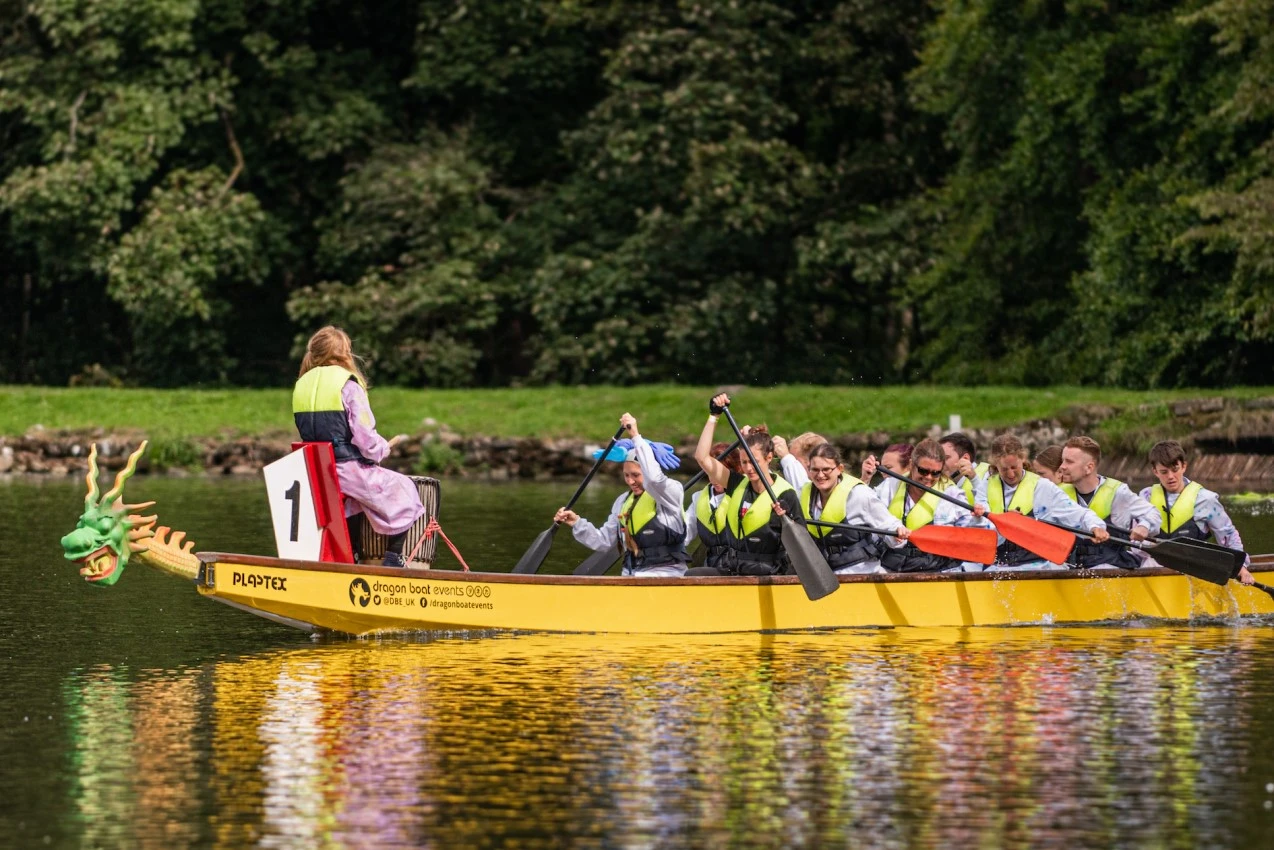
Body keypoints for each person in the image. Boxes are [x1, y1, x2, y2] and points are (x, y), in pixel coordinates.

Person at [293, 326, 424, 567]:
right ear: (344, 353)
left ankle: (350, 558)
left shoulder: (301, 384)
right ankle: (394, 562)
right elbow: (365, 439)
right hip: (345, 469)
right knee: (408, 492)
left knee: (352, 503)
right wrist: (382, 450)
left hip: (315, 471)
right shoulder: (348, 384)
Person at [555, 413, 688, 577]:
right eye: (627, 475)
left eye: (636, 475)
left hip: (667, 573)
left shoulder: (671, 492)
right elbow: (604, 541)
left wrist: (635, 436)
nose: (631, 481)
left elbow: (654, 479)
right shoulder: (623, 501)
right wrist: (576, 523)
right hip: (631, 574)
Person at [693, 393, 804, 576]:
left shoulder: (785, 494)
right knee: (693, 575)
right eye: (744, 462)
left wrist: (786, 521)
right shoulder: (736, 484)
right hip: (735, 569)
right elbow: (702, 458)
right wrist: (714, 416)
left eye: (754, 462)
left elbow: (800, 543)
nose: (749, 468)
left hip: (770, 573)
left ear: (769, 458)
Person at [979, 434, 1107, 570]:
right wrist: (1004, 521)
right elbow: (982, 530)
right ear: (995, 464)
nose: (1010, 474)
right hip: (997, 565)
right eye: (1004, 469)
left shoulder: (1042, 487)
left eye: (1014, 467)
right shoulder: (984, 487)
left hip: (1037, 566)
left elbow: (1079, 514)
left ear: (1022, 458)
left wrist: (1095, 526)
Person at [1139, 440, 1254, 584]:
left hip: (1193, 569)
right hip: (1154, 567)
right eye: (1164, 472)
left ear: (1184, 467)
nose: (1170, 476)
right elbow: (1137, 546)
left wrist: (1241, 567)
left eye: (1175, 469)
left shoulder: (1206, 499)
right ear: (1155, 471)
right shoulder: (1146, 497)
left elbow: (1228, 535)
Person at [867, 439, 980, 573]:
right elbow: (869, 515)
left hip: (938, 568)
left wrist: (977, 518)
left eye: (935, 473)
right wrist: (865, 479)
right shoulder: (890, 486)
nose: (928, 477)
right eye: (923, 471)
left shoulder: (952, 494)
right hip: (892, 566)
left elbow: (970, 535)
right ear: (911, 465)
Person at [800, 442, 909, 574]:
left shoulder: (859, 494)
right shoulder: (804, 494)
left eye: (826, 469)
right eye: (815, 470)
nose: (820, 475)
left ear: (839, 469)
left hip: (860, 573)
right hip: (825, 575)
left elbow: (889, 525)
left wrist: (897, 533)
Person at [1057, 436, 1161, 569]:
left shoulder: (1118, 492)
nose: (1062, 467)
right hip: (1071, 564)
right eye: (1062, 461)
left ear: (1089, 467)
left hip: (1110, 565)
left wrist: (1144, 527)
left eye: (1069, 462)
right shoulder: (1059, 493)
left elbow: (1153, 513)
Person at [684, 441, 741, 573]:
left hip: (739, 565)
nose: (714, 479)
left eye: (719, 473)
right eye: (710, 473)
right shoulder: (698, 498)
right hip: (712, 563)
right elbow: (684, 534)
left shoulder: (744, 493)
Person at [939, 432, 990, 505]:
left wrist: (974, 480)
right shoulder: (941, 482)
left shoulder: (990, 474)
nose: (939, 463)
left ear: (965, 458)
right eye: (938, 459)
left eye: (946, 458)